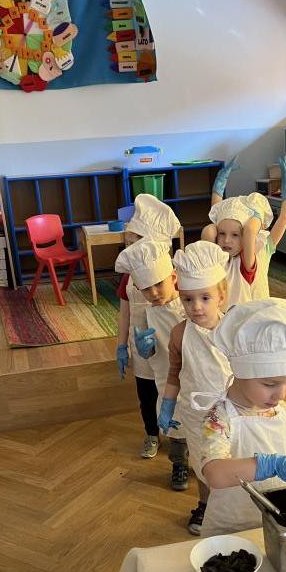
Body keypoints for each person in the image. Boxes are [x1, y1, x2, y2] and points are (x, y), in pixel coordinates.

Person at [193, 298, 286, 537]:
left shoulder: (285, 414)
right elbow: (215, 474)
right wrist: (271, 465)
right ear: (240, 372)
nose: (281, 394)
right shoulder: (219, 419)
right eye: (270, 384)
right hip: (230, 528)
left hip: (276, 519)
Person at [157, 241, 232, 535]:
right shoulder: (179, 333)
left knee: (232, 458)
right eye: (188, 299)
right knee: (203, 462)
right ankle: (205, 505)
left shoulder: (233, 330)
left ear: (221, 296)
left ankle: (235, 508)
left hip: (231, 410)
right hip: (196, 412)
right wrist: (167, 406)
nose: (196, 306)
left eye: (205, 298)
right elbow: (174, 374)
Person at [115, 238, 189, 490]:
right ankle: (179, 464)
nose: (154, 293)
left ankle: (204, 461)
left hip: (196, 377)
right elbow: (153, 351)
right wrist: (145, 349)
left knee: (202, 425)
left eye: (159, 284)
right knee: (177, 429)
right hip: (168, 380)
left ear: (174, 277)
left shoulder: (190, 304)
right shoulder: (151, 312)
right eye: (146, 289)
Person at [115, 195, 181, 459]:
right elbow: (124, 314)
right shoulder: (129, 280)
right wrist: (121, 345)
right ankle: (152, 434)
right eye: (129, 244)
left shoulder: (172, 277)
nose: (132, 249)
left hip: (170, 347)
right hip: (142, 346)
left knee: (172, 391)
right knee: (146, 393)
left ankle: (178, 438)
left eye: (137, 243)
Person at [201, 157, 286, 307]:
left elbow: (283, 218)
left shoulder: (260, 248)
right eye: (222, 234)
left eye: (235, 235)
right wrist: (220, 182)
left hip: (255, 314)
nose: (226, 240)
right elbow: (215, 218)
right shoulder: (218, 257)